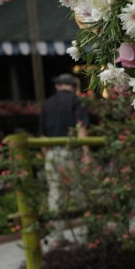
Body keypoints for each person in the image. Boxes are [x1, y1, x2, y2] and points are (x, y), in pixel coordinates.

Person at [39, 74, 90, 214]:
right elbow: (81, 128)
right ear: (74, 86)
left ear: (57, 86)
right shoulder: (76, 101)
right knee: (77, 189)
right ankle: (83, 223)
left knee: (55, 190)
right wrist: (86, 154)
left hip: (51, 152)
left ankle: (56, 225)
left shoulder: (47, 104)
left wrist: (47, 154)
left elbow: (42, 135)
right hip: (72, 151)